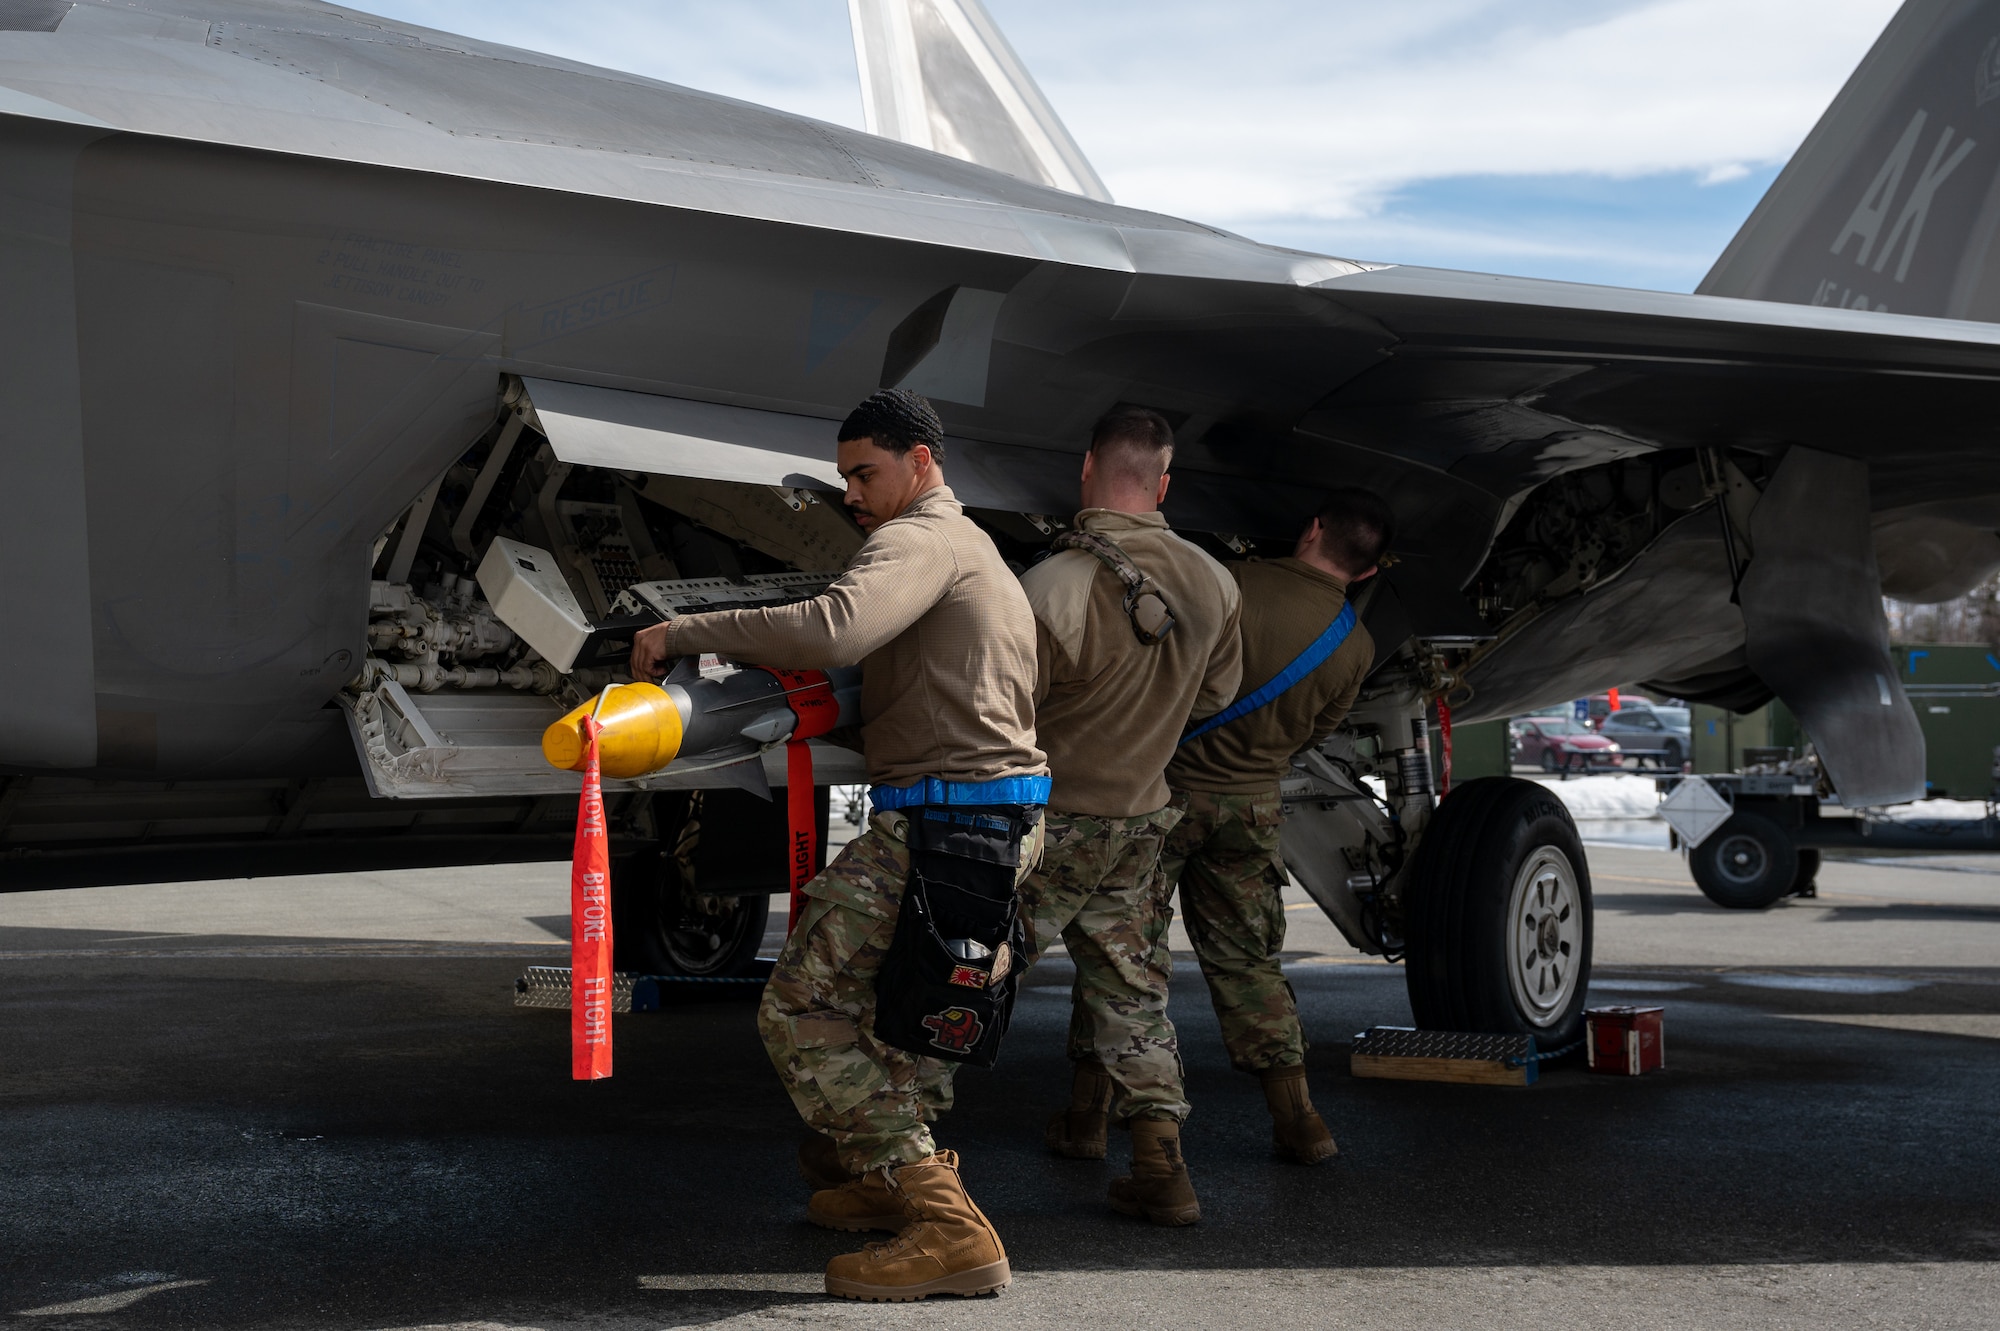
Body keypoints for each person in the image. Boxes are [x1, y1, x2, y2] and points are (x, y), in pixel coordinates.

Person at [628, 388, 1048, 1303]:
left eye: (866, 472)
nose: (852, 493)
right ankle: (883, 1180)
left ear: (921, 463)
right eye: (844, 475)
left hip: (947, 824)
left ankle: (946, 1225)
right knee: (898, 1020)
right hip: (989, 820)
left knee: (801, 1006)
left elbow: (836, 628)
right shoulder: (974, 547)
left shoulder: (918, 540)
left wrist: (684, 631)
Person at [924, 407, 1243, 1226]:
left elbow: (996, 714)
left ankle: (891, 1144)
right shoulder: (1215, 582)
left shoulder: (1048, 588)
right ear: (1164, 484)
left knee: (968, 973)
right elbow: (1215, 697)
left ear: (1086, 469)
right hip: (1140, 820)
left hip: (1047, 827)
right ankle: (1161, 1165)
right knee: (1135, 995)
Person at [1056, 487, 1392, 1166]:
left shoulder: (1233, 582)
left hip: (1164, 797)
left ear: (1312, 526)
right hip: (1253, 807)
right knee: (1248, 963)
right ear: (1366, 571)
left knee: (1125, 956)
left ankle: (1087, 1119)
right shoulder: (1354, 645)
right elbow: (1320, 732)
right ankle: (1300, 1120)